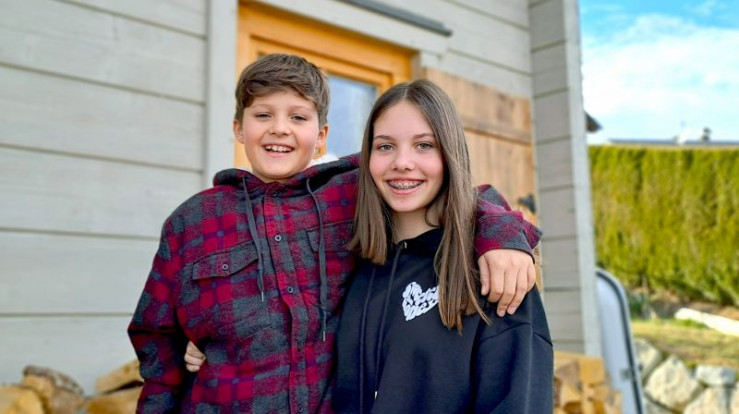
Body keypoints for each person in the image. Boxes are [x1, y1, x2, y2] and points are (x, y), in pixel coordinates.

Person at [129, 54, 539, 413]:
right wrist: (192, 347)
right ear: (239, 128)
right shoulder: (192, 222)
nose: (280, 129)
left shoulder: (348, 192)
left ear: (321, 135)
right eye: (263, 115)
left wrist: (503, 238)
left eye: (298, 117)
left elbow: (459, 192)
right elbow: (157, 338)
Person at [332, 80, 553, 413]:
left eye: (424, 145)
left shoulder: (494, 273)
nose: (402, 162)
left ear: (450, 154)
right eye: (385, 146)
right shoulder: (352, 267)